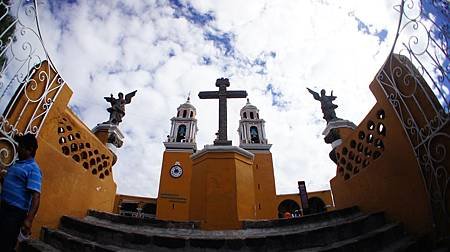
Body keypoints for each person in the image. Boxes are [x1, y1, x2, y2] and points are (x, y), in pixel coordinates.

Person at [0, 134, 41, 251]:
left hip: (14, 214)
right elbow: (14, 186)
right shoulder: (17, 164)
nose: (18, 149)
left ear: (30, 150)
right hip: (4, 207)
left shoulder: (34, 169)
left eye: (21, 146)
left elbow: (36, 196)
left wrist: (29, 220)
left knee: (5, 244)